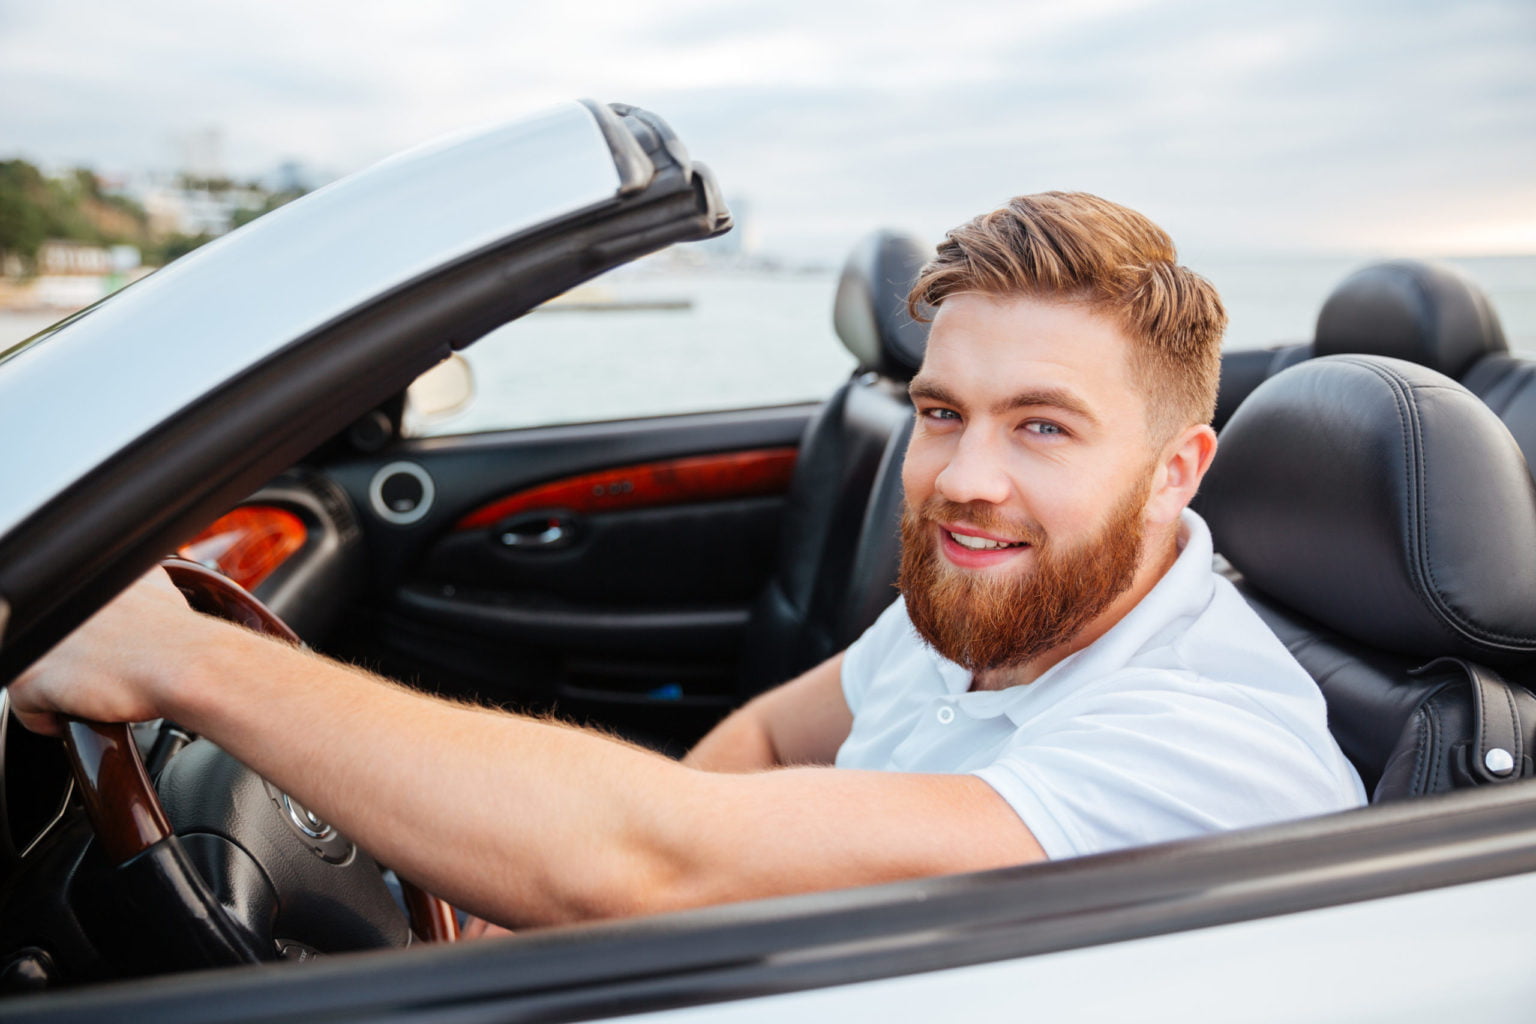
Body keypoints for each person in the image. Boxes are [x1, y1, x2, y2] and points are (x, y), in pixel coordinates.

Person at [10, 192, 1364, 932]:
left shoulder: (1204, 746)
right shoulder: (1000, 609)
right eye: (942, 412)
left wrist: (181, 659)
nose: (965, 476)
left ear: (1176, 470)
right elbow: (779, 736)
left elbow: (657, 861)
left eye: (1045, 427)